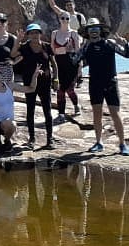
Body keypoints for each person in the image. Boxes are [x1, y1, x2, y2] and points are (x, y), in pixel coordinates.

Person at [71, 18, 129, 155]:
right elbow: (74, 61)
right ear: (87, 32)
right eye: (91, 30)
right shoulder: (86, 47)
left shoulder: (110, 43)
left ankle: (122, 144)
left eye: (96, 29)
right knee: (97, 114)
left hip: (110, 83)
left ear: (101, 31)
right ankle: (98, 142)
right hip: (95, 83)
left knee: (115, 113)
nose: (94, 32)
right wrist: (74, 50)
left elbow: (126, 54)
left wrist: (126, 43)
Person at [15, 23, 58, 149]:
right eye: (31, 33)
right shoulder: (24, 47)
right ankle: (32, 138)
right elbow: (12, 56)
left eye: (36, 32)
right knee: (30, 110)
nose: (34, 35)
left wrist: (56, 78)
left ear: (40, 33)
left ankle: (50, 139)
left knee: (47, 110)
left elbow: (54, 64)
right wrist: (18, 40)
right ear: (28, 35)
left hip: (45, 82)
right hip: (29, 83)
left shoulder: (47, 46)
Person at [51, 11, 81, 123]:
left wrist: (79, 68)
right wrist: (64, 49)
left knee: (69, 89)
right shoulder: (54, 33)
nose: (65, 20)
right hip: (59, 65)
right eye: (62, 18)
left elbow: (78, 52)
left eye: (67, 18)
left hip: (71, 65)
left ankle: (76, 105)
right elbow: (53, 51)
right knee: (60, 90)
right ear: (59, 19)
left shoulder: (73, 33)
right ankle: (61, 114)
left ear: (70, 20)